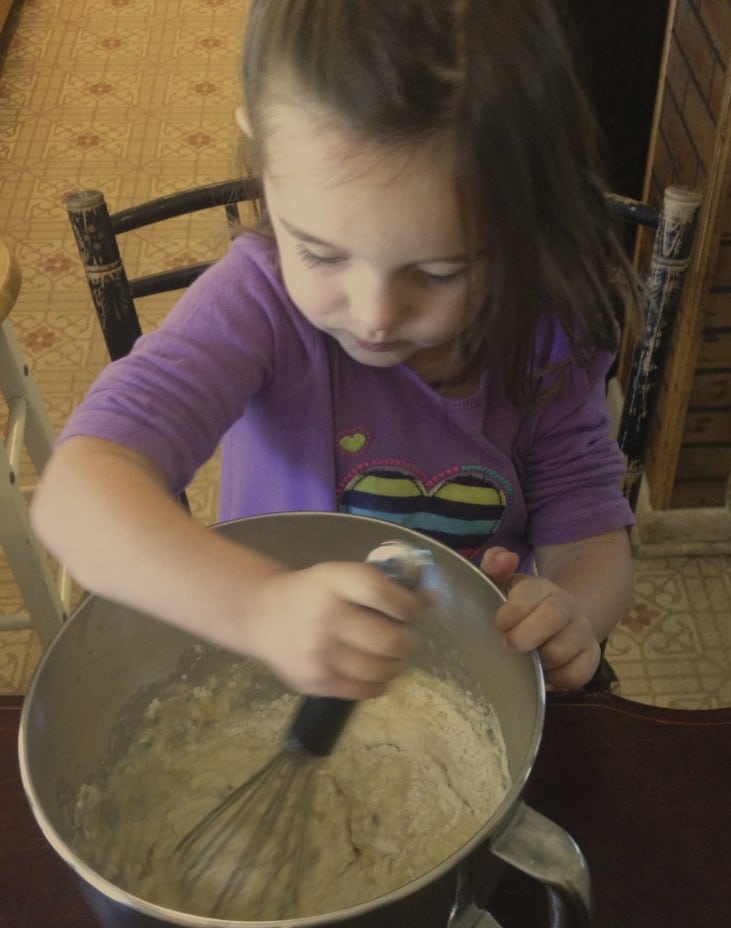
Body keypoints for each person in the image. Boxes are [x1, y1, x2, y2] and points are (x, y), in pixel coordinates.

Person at [32, 0, 636, 696]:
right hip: (265, 658)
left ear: (527, 207)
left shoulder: (548, 327)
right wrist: (258, 608)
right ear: (262, 157)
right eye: (319, 254)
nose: (374, 316)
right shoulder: (256, 304)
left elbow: (587, 527)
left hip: (465, 668)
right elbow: (75, 496)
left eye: (440, 272)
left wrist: (574, 611)